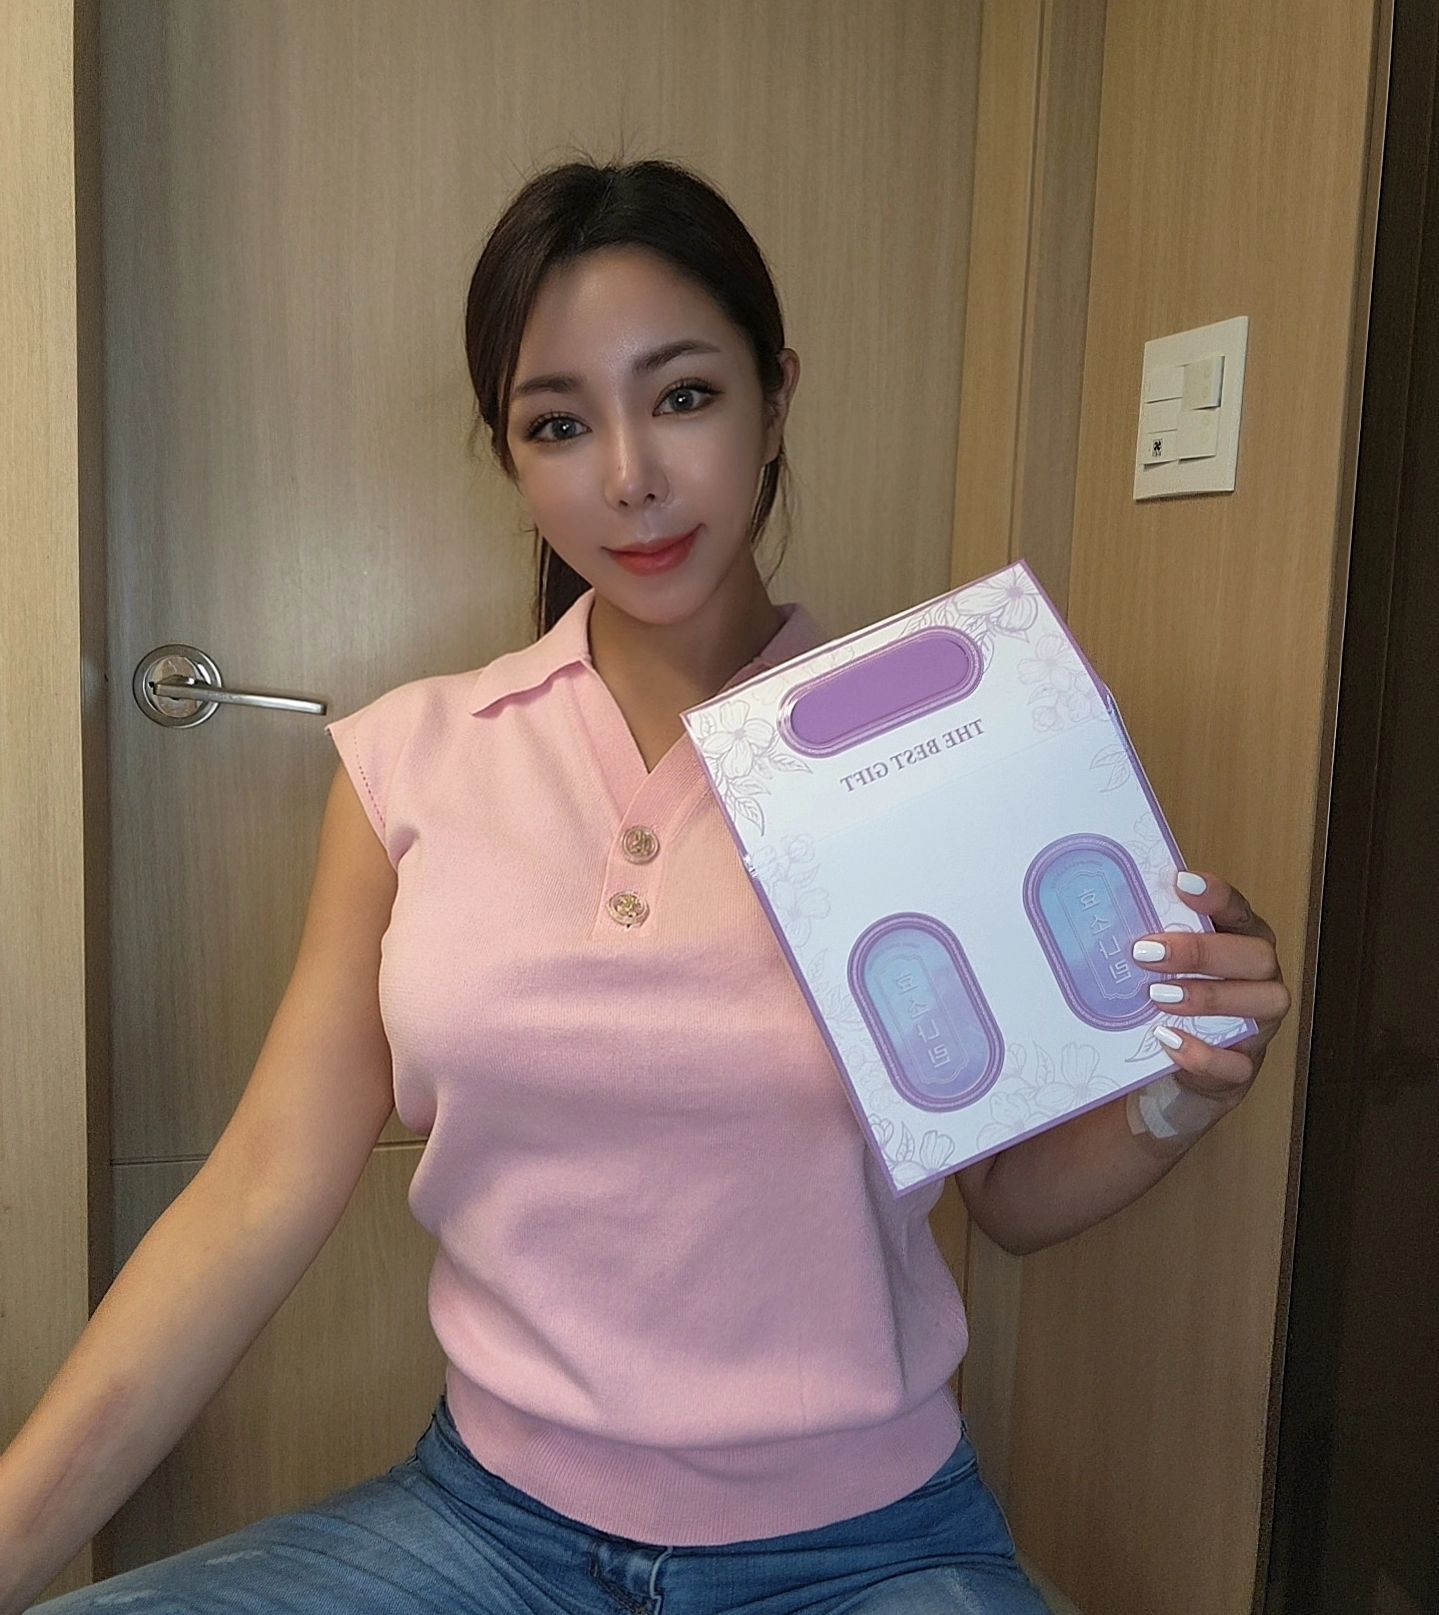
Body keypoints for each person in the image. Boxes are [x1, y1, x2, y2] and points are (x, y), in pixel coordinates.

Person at [0, 155, 1291, 1615]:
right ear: (510, 453)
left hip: (866, 1551)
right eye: (559, 423)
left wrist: (1183, 1086)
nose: (629, 477)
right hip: (484, 1533)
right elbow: (254, 1198)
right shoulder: (410, 766)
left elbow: (1007, 1194)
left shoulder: (927, 749)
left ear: (774, 399)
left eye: (683, 395)